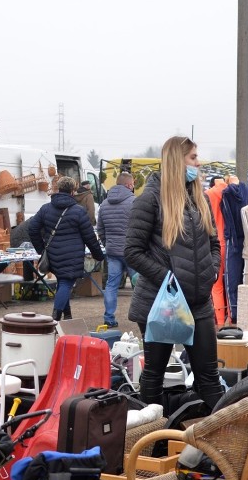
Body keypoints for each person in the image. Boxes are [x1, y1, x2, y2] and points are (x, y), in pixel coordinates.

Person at [125, 136, 225, 410]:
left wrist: (212, 271)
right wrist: (168, 279)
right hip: (160, 303)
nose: (198, 162)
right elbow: (132, 251)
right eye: (193, 157)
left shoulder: (199, 198)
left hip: (198, 302)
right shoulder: (150, 199)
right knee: (154, 377)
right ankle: (151, 442)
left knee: (209, 377)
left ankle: (220, 441)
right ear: (176, 161)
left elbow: (214, 243)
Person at [28, 176, 105, 322]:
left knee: (63, 282)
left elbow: (32, 228)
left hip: (53, 255)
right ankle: (55, 319)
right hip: (72, 255)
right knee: (66, 283)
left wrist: (42, 250)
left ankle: (67, 316)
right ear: (73, 191)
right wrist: (98, 255)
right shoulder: (78, 211)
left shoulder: (46, 209)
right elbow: (89, 237)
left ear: (58, 189)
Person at [97, 172, 136, 327]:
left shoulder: (104, 204)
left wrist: (108, 243)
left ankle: (109, 317)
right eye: (133, 184)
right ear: (128, 185)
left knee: (111, 285)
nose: (133, 186)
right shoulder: (134, 202)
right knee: (138, 284)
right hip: (131, 251)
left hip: (113, 251)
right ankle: (144, 314)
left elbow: (100, 229)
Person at [220, 176, 248, 325]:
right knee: (243, 279)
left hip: (232, 240)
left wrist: (230, 235)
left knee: (231, 279)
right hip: (247, 239)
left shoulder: (226, 193)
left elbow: (227, 215)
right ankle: (246, 315)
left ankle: (233, 314)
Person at [205, 176, 229, 324]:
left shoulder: (208, 194)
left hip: (214, 242)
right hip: (232, 244)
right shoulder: (233, 192)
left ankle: (219, 321)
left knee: (217, 285)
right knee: (231, 284)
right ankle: (230, 317)